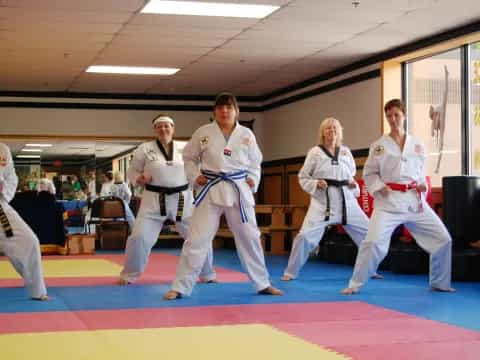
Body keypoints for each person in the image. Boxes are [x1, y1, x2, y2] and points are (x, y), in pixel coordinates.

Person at [164, 93, 283, 300]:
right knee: (197, 238)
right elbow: (189, 157)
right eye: (220, 108)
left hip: (238, 189)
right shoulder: (203, 132)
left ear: (237, 111)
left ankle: (262, 283)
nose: (224, 111)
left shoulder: (246, 135)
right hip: (210, 188)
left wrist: (253, 178)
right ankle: (181, 286)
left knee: (250, 237)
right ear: (214, 112)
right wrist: (194, 176)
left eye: (229, 107)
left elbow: (256, 162)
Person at [342, 99, 455, 295]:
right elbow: (369, 174)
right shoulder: (378, 146)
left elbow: (420, 173)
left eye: (396, 115)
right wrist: (379, 186)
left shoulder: (417, 145)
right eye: (389, 116)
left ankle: (440, 283)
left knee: (443, 239)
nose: (393, 119)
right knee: (373, 243)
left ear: (404, 115)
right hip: (388, 202)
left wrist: (423, 186)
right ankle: (355, 284)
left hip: (414, 202)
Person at [119, 114, 216, 285]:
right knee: (139, 237)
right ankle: (129, 275)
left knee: (199, 236)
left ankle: (207, 274)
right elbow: (132, 172)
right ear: (155, 129)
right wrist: (139, 179)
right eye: (159, 126)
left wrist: (199, 181)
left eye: (167, 126)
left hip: (183, 198)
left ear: (173, 128)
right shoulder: (144, 149)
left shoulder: (186, 147)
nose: (163, 129)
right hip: (153, 200)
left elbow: (196, 169)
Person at [281, 118, 380, 281]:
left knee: (369, 234)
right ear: (322, 132)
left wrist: (352, 184)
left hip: (346, 201)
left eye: (334, 128)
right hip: (323, 202)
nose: (331, 131)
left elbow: (352, 174)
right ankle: (290, 272)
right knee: (305, 236)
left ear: (339, 131)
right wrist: (315, 183)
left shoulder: (346, 152)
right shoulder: (315, 152)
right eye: (327, 128)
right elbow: (303, 176)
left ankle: (370, 269)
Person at [0, 143, 48, 300]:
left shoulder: (2, 149)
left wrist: (4, 195)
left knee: (29, 240)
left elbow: (11, 177)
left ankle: (37, 289)